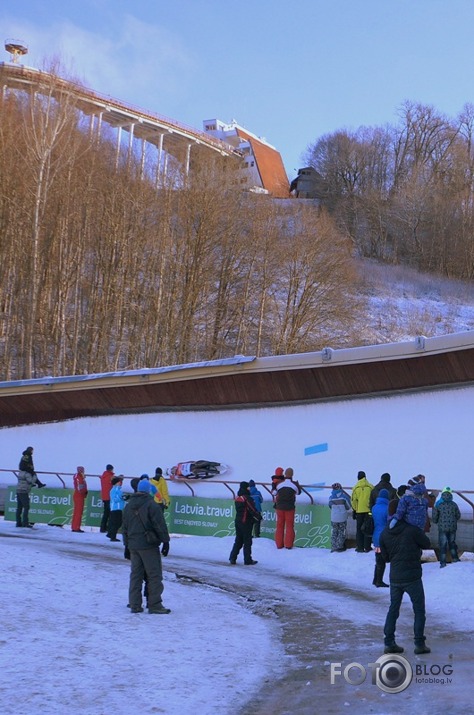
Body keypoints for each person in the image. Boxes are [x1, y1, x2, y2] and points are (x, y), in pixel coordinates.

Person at [379, 518, 432, 655]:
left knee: (393, 608)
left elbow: (385, 557)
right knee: (419, 610)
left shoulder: (385, 532)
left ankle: (389, 642)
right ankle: (419, 644)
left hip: (395, 577)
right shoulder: (412, 530)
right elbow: (427, 544)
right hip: (412, 577)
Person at [122, 480, 171, 614]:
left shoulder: (129, 505)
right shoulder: (152, 505)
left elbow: (125, 528)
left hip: (133, 546)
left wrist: (126, 545)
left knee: (135, 575)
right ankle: (155, 604)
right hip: (148, 545)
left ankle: (135, 604)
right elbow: (159, 525)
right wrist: (165, 541)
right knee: (154, 575)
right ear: (148, 490)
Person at [229, 481, 259, 565]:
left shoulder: (238, 498)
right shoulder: (247, 498)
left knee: (238, 540)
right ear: (246, 488)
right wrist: (258, 517)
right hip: (246, 522)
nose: (249, 488)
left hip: (238, 521)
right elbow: (252, 509)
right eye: (248, 487)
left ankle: (232, 557)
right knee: (247, 541)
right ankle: (247, 560)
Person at [432, 487, 461, 568]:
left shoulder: (438, 504)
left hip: (442, 528)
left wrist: (437, 521)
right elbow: (458, 516)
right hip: (452, 527)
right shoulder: (454, 504)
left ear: (442, 494)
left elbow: (434, 518)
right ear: (450, 495)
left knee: (443, 545)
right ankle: (455, 558)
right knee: (452, 543)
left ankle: (443, 563)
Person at [16, 447, 45, 528]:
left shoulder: (20, 473)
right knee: (26, 507)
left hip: (18, 490)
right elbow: (31, 481)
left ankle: (18, 522)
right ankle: (25, 523)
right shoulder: (28, 473)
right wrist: (34, 475)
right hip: (24, 491)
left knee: (19, 507)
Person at [274, 467, 302, 550]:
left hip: (279, 507)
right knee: (289, 526)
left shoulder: (279, 484)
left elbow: (275, 492)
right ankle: (288, 545)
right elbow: (298, 492)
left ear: (285, 474)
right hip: (290, 507)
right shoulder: (294, 485)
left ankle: (279, 545)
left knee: (279, 526)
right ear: (292, 474)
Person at [351, 470, 374, 552]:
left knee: (359, 529)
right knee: (368, 527)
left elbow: (353, 501)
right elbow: (373, 498)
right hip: (369, 511)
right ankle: (367, 547)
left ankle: (360, 547)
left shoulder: (355, 488)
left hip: (359, 511)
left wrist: (355, 509)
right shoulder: (371, 487)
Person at [371, 488, 390, 587]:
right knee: (381, 561)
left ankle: (375, 579)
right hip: (384, 537)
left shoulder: (374, 507)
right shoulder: (388, 508)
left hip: (375, 535)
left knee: (378, 558)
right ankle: (379, 581)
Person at [328, 482, 351, 552]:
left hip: (334, 518)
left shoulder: (331, 497)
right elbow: (348, 507)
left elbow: (330, 506)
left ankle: (333, 546)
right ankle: (339, 546)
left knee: (334, 531)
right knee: (341, 531)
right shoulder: (344, 497)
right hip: (342, 518)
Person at [107, 476, 125, 541]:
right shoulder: (114, 490)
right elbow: (114, 499)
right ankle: (112, 536)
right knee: (117, 523)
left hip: (118, 508)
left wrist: (124, 497)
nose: (120, 483)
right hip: (115, 508)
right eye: (119, 482)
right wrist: (122, 498)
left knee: (117, 522)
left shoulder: (118, 490)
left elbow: (120, 497)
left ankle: (111, 534)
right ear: (116, 483)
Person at [71, 466, 88, 533]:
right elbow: (80, 487)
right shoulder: (79, 477)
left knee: (77, 512)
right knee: (78, 512)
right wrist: (84, 492)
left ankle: (75, 526)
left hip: (78, 495)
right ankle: (76, 527)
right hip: (79, 496)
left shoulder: (79, 477)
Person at [100, 464, 115, 533]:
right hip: (109, 497)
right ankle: (108, 528)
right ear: (111, 469)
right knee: (110, 513)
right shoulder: (110, 477)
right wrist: (121, 480)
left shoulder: (103, 476)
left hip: (104, 496)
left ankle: (103, 527)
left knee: (106, 513)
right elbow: (116, 483)